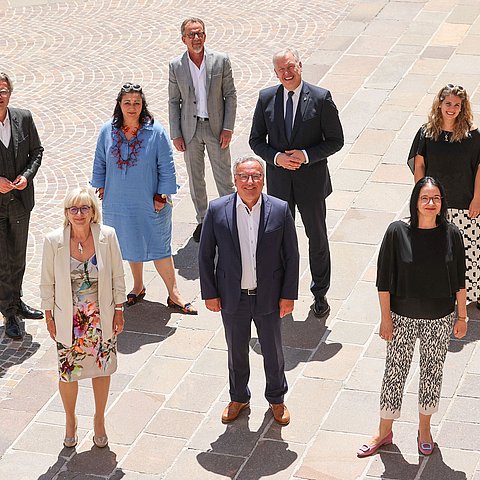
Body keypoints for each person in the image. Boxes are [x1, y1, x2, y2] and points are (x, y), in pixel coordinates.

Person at [357, 177, 467, 458]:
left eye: (436, 199)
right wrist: (385, 319)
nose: (431, 204)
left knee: (431, 373)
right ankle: (384, 431)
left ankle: (425, 429)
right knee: (394, 372)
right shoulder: (397, 232)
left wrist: (462, 316)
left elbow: (459, 280)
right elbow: (384, 281)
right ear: (415, 202)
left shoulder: (452, 234)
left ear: (442, 203)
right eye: (425, 198)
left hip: (439, 318)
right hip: (401, 317)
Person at [199, 155, 299, 425]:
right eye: (244, 176)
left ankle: (276, 399)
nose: (250, 182)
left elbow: (292, 255)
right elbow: (205, 254)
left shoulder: (279, 209)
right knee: (236, 350)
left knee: (274, 351)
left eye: (255, 176)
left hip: (269, 295)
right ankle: (239, 397)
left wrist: (288, 295)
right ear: (235, 180)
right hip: (233, 296)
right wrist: (210, 293)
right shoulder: (218, 209)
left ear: (263, 180)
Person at [249, 48, 344, 319]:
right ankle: (281, 292)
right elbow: (256, 140)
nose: (287, 73)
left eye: (291, 67)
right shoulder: (266, 98)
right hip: (279, 184)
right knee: (278, 240)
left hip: (311, 183)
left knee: (317, 238)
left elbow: (336, 139)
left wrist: (306, 155)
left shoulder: (320, 97)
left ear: (300, 66)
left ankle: (320, 294)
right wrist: (277, 158)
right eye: (281, 69)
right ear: (276, 73)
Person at [91, 83, 197, 314]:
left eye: (136, 103)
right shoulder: (106, 130)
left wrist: (161, 195)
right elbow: (100, 160)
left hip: (150, 202)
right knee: (128, 242)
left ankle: (174, 293)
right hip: (117, 201)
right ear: (119, 104)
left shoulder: (155, 131)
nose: (132, 107)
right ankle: (138, 286)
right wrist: (100, 185)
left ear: (143, 105)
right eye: (127, 102)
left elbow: (167, 166)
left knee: (159, 246)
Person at [40, 187, 126, 448]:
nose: (79, 214)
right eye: (73, 209)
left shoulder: (107, 236)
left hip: (102, 316)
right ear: (66, 213)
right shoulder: (53, 240)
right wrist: (49, 316)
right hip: (69, 319)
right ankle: (70, 420)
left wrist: (119, 310)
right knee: (67, 373)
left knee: (102, 369)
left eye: (84, 208)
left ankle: (99, 419)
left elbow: (118, 275)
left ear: (93, 212)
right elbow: (47, 283)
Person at [409, 83, 480, 307]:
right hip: (435, 204)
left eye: (457, 105)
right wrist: (421, 196)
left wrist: (477, 198)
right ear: (439, 104)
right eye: (448, 103)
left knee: (471, 250)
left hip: (464, 201)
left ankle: (475, 293)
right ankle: (443, 293)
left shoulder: (473, 136)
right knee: (438, 251)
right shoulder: (427, 133)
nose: (452, 108)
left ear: (463, 107)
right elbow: (419, 165)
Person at [169, 17, 237, 243]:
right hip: (190, 130)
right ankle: (203, 220)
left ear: (205, 36)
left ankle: (230, 219)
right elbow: (173, 101)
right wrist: (176, 133)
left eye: (199, 34)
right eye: (191, 35)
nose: (196, 38)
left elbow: (230, 95)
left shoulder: (220, 61)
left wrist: (228, 127)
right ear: (183, 39)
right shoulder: (176, 66)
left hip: (216, 128)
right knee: (195, 178)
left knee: (223, 176)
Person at [0, 71, 44, 341]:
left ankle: (16, 301)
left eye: (3, 91)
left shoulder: (23, 118)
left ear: (10, 93)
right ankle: (9, 313)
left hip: (20, 202)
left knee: (18, 256)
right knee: (2, 260)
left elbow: (37, 151)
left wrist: (26, 177)